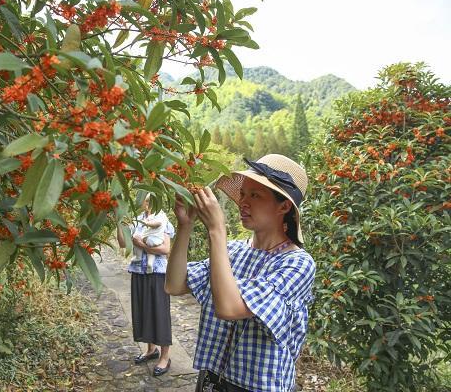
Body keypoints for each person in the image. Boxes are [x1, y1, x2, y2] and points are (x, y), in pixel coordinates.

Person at [165, 154, 316, 392]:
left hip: (259, 387)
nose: (243, 202)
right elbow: (174, 285)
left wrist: (216, 230)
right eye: (243, 194)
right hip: (213, 379)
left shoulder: (298, 264)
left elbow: (229, 308)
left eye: (255, 195)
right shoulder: (233, 251)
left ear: (284, 206)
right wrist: (185, 225)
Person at [117, 194, 175, 376]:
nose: (148, 203)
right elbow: (123, 242)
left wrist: (142, 244)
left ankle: (165, 357)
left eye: (152, 200)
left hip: (158, 273)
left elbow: (165, 249)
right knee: (142, 311)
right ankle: (151, 350)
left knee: (159, 312)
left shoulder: (163, 219)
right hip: (138, 272)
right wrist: (118, 221)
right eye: (146, 200)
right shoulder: (137, 221)